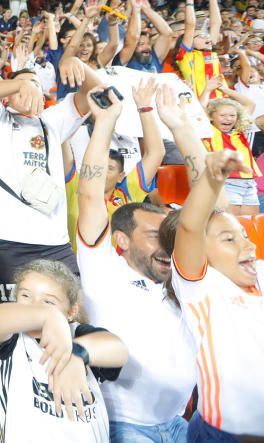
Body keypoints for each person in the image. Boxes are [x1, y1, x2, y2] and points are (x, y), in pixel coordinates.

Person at [76, 88, 196, 443]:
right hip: (126, 427)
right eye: (154, 236)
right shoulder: (103, 270)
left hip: (179, 423)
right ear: (122, 241)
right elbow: (89, 193)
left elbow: (215, 203)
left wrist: (180, 127)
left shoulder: (182, 277)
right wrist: (106, 122)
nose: (167, 246)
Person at [161, 150, 264, 442]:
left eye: (245, 235)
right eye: (229, 240)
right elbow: (190, 226)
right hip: (225, 433)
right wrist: (212, 178)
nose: (247, 245)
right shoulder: (203, 289)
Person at [0, 56, 101, 303]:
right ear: (8, 95)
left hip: (56, 242)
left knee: (73, 309)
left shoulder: (53, 122)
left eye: (35, 85)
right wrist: (18, 84)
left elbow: (99, 92)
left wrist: (79, 63)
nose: (29, 89)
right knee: (17, 318)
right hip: (8, 241)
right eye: (21, 86)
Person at [0, 259, 128, 442]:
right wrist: (49, 315)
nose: (35, 305)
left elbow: (118, 349)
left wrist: (77, 354)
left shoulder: (78, 333)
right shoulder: (14, 338)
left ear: (71, 312)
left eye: (49, 301)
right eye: (26, 296)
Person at [103, 78, 165, 214]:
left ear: (120, 176)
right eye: (99, 165)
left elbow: (156, 153)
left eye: (110, 168)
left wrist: (145, 108)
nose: (101, 172)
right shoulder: (76, 190)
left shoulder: (126, 192)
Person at [202, 96, 261, 215]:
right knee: (232, 223)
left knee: (249, 224)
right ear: (210, 116)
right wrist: (208, 89)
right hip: (228, 182)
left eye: (232, 115)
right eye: (223, 115)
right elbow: (198, 109)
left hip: (249, 183)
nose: (228, 119)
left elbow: (250, 104)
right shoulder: (208, 131)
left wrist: (225, 89)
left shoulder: (239, 131)